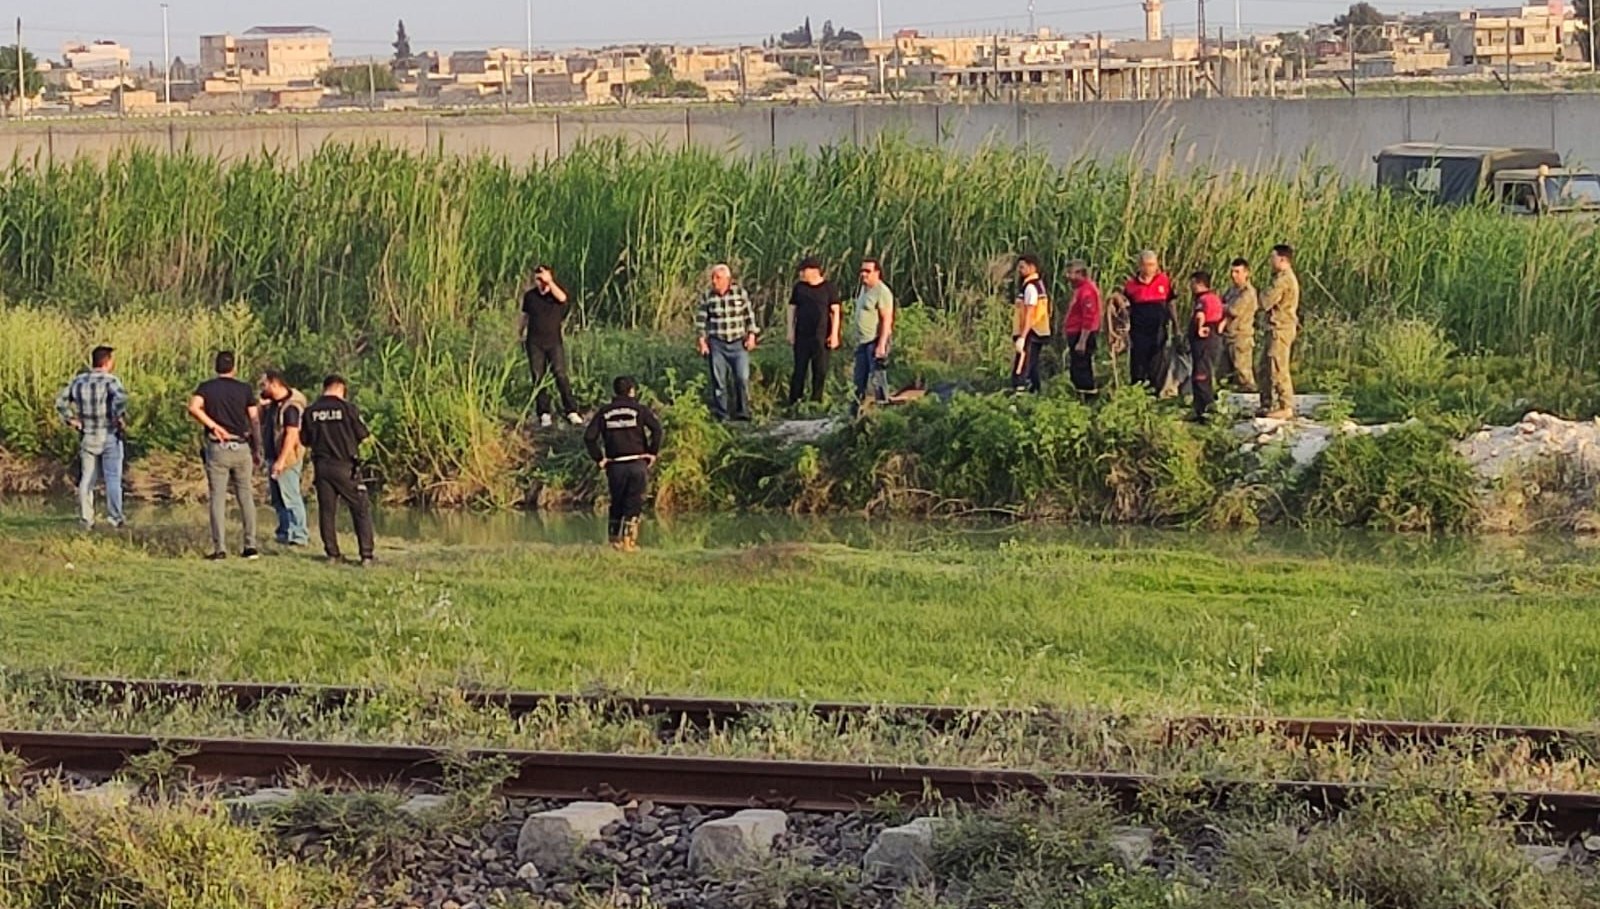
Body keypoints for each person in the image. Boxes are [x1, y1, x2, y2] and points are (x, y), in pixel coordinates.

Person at [188, 350, 261, 561]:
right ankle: (250, 546)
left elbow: (193, 407)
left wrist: (213, 425)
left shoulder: (206, 388)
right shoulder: (245, 389)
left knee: (218, 498)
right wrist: (257, 448)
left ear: (215, 367)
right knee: (245, 496)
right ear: (234, 368)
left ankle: (220, 549)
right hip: (241, 446)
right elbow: (254, 420)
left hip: (218, 446)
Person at [301, 375, 376, 566]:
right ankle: (366, 555)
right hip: (345, 466)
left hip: (322, 466)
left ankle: (332, 554)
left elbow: (305, 440)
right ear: (341, 389)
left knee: (327, 511)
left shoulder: (310, 412)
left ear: (324, 388)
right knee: (360, 508)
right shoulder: (348, 409)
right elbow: (363, 435)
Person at [584, 375, 663, 552]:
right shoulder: (639, 409)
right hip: (637, 462)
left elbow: (589, 437)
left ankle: (614, 540)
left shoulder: (605, 411)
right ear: (632, 391)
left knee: (617, 502)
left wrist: (599, 459)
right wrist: (652, 453)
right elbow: (657, 430)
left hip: (615, 465)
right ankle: (629, 542)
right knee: (633, 502)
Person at [55, 345, 129, 531]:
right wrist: (116, 415)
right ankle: (115, 517)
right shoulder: (111, 381)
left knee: (87, 478)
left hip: (87, 434)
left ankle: (86, 519)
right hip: (108, 434)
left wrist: (71, 420)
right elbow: (121, 399)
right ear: (108, 361)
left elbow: (60, 402)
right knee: (112, 478)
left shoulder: (78, 381)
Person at [694, 264, 760, 422]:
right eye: (713, 278)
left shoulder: (739, 293)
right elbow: (701, 321)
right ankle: (722, 414)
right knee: (719, 380)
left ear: (727, 279)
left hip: (738, 342)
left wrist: (751, 336)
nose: (714, 281)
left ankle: (743, 412)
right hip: (718, 343)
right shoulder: (708, 296)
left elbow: (749, 316)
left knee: (742, 378)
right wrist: (702, 342)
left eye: (718, 278)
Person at [519, 265, 582, 428]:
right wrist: (520, 333)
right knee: (538, 377)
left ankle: (571, 410)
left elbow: (563, 298)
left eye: (543, 277)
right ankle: (544, 413)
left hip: (554, 342)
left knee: (560, 375)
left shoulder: (555, 295)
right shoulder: (530, 296)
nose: (540, 281)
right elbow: (525, 316)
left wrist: (550, 282)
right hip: (534, 342)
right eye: (538, 278)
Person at [1111, 251, 1175, 391]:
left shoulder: (1163, 281)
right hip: (1139, 332)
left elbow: (1171, 303)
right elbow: (1123, 308)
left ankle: (1155, 395)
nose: (1149, 269)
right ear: (1140, 266)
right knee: (1138, 364)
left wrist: (1176, 326)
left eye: (1152, 265)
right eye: (1146, 265)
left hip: (1158, 330)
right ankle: (1137, 393)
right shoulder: (1131, 285)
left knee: (1157, 364)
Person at [260, 370, 310, 547]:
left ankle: (299, 535)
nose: (262, 388)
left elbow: (291, 435)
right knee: (278, 498)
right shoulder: (275, 405)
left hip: (287, 459)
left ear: (275, 384)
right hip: (273, 457)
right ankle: (284, 532)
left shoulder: (291, 408)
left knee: (291, 497)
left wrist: (282, 460)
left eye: (264, 384)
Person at [786, 256, 842, 405]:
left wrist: (834, 334)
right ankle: (794, 401)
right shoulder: (799, 288)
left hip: (822, 335)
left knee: (820, 370)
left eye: (804, 271)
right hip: (802, 335)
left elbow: (835, 311)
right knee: (799, 370)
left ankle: (816, 401)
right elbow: (792, 309)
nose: (801, 274)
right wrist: (790, 331)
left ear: (814, 271)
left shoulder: (829, 288)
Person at [1258, 244, 1302, 420]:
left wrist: (1260, 294)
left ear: (1282, 259)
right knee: (1265, 367)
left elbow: (1265, 301)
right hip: (1275, 327)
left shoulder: (1283, 280)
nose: (1271, 261)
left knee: (1278, 367)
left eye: (1273, 257)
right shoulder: (1280, 278)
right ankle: (1268, 403)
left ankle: (1286, 406)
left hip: (1281, 328)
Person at [852, 258, 895, 415]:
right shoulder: (864, 289)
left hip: (875, 341)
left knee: (877, 377)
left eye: (868, 271)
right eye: (862, 271)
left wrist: (881, 344)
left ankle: (883, 409)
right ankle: (855, 412)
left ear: (877, 273)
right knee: (859, 379)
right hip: (863, 341)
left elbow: (886, 319)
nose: (864, 274)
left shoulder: (881, 291)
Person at [1011, 254, 1052, 394]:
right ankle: (1036, 394)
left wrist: (1022, 337)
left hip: (1031, 332)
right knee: (1032, 366)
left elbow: (1030, 312)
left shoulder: (1030, 287)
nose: (1019, 270)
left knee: (1022, 366)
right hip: (1037, 332)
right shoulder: (1037, 285)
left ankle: (1019, 397)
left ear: (1032, 267)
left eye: (1022, 267)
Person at [1188, 271, 1226, 421]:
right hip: (1214, 338)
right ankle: (1203, 409)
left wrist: (1199, 328)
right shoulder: (1216, 298)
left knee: (1200, 375)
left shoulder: (1203, 299)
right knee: (1207, 372)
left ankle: (1205, 411)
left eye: (1192, 283)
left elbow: (1200, 315)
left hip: (1204, 341)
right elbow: (1225, 316)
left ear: (1198, 283)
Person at [1061, 260, 1102, 395]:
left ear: (1080, 273)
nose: (1067, 276)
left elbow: (1088, 318)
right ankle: (1079, 394)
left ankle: (1087, 395)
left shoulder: (1087, 291)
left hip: (1082, 334)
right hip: (1076, 333)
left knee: (1082, 367)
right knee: (1076, 367)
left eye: (1070, 273)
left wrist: (1082, 341)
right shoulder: (1080, 289)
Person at [1220, 258, 1259, 394]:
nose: (1233, 275)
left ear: (1246, 273)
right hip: (1228, 335)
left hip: (1241, 337)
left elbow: (1234, 310)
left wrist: (1221, 307)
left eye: (1237, 272)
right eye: (1232, 272)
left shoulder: (1248, 292)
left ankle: (1250, 399)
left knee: (1243, 372)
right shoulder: (1231, 290)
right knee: (1225, 373)